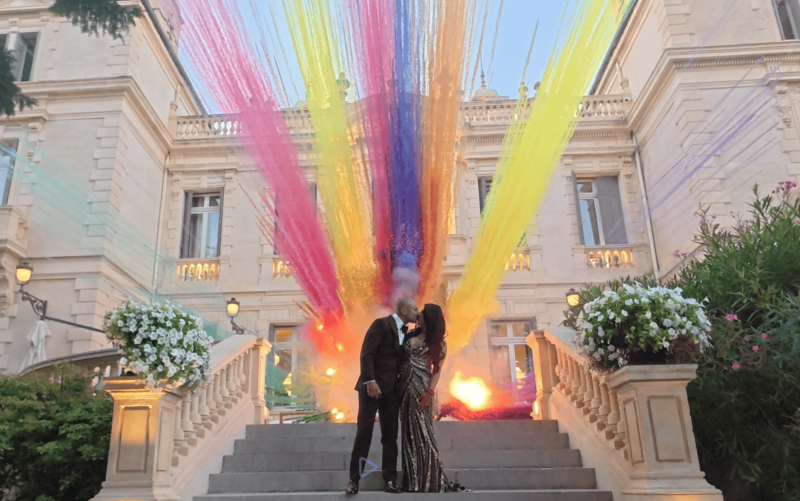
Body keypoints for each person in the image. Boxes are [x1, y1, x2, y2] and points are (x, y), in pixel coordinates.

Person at [346, 298, 419, 495]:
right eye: (415, 309)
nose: (417, 312)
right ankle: (354, 480)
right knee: (365, 432)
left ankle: (390, 480)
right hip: (372, 387)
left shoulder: (408, 332)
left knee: (390, 436)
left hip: (392, 391)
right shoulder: (381, 324)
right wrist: (370, 381)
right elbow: (367, 353)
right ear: (403, 310)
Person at [399, 303, 469, 492]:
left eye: (422, 313)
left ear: (429, 318)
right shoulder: (410, 334)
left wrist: (429, 393)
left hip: (421, 388)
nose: (418, 315)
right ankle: (413, 480)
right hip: (403, 388)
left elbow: (437, 370)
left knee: (423, 434)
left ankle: (430, 480)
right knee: (408, 434)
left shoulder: (439, 342)